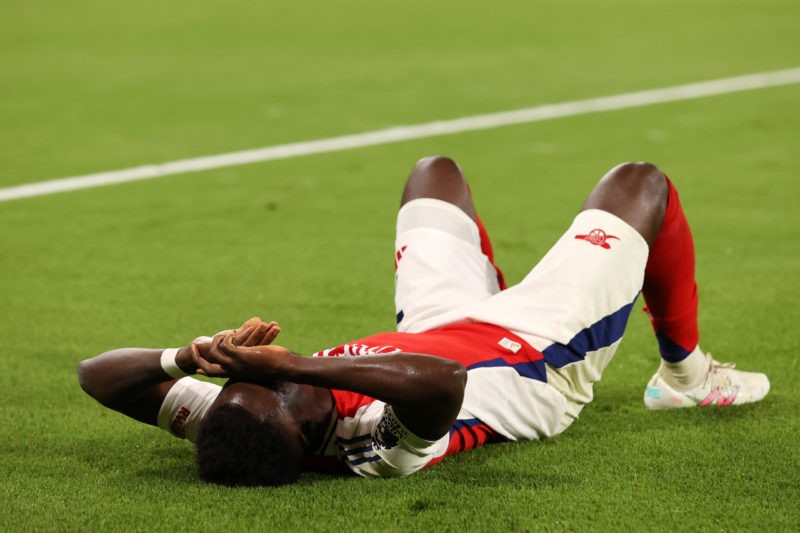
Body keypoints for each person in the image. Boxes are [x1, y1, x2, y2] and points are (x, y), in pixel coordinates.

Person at [77, 156, 770, 486]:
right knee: (641, 183)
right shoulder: (373, 452)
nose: (273, 369)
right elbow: (441, 381)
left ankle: (490, 285)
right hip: (535, 352)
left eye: (248, 382)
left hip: (437, 318)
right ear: (308, 426)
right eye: (283, 385)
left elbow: (97, 376)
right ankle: (685, 372)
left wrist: (191, 354)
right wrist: (288, 364)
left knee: (432, 176)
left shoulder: (241, 414)